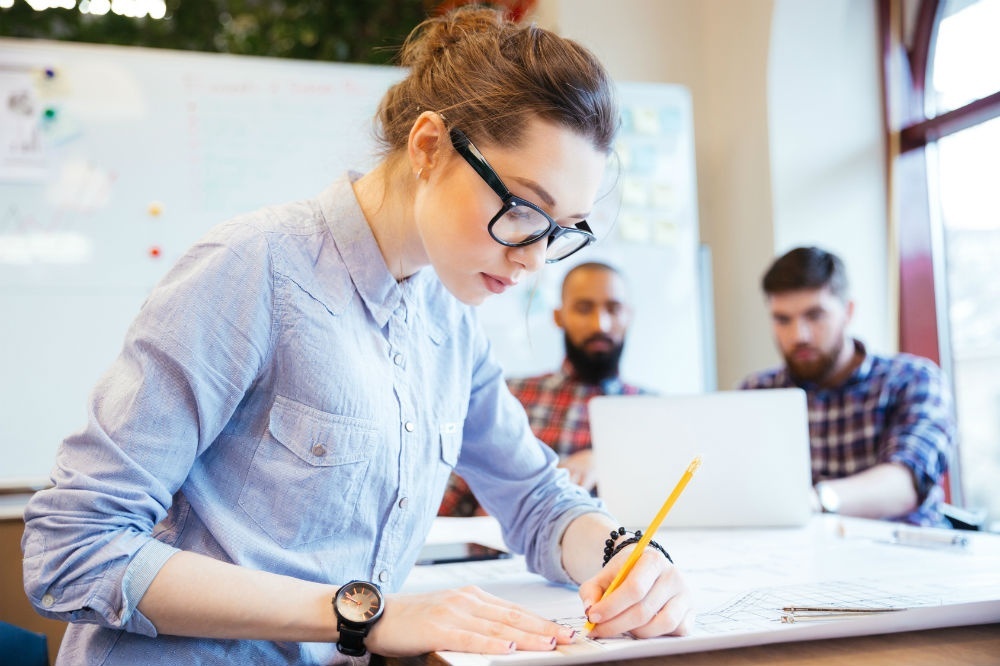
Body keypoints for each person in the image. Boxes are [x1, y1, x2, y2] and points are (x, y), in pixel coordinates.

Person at [21, 8, 691, 665]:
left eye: (562, 229)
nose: (535, 259)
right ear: (428, 147)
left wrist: (626, 557)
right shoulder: (255, 268)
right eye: (521, 210)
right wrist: (365, 613)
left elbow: (540, 501)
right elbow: (72, 547)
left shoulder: (448, 320)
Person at [739, 246, 955, 527]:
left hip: (906, 554)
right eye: (783, 320)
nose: (798, 335)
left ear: (848, 311)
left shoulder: (913, 380)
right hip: (797, 559)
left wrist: (817, 500)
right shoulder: (757, 393)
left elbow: (906, 484)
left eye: (815, 315)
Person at [440, 261, 646, 516]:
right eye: (584, 308)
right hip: (503, 552)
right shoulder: (508, 394)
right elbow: (449, 496)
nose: (600, 325)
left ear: (629, 315)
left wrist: (607, 462)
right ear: (558, 317)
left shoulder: (652, 413)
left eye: (614, 309)